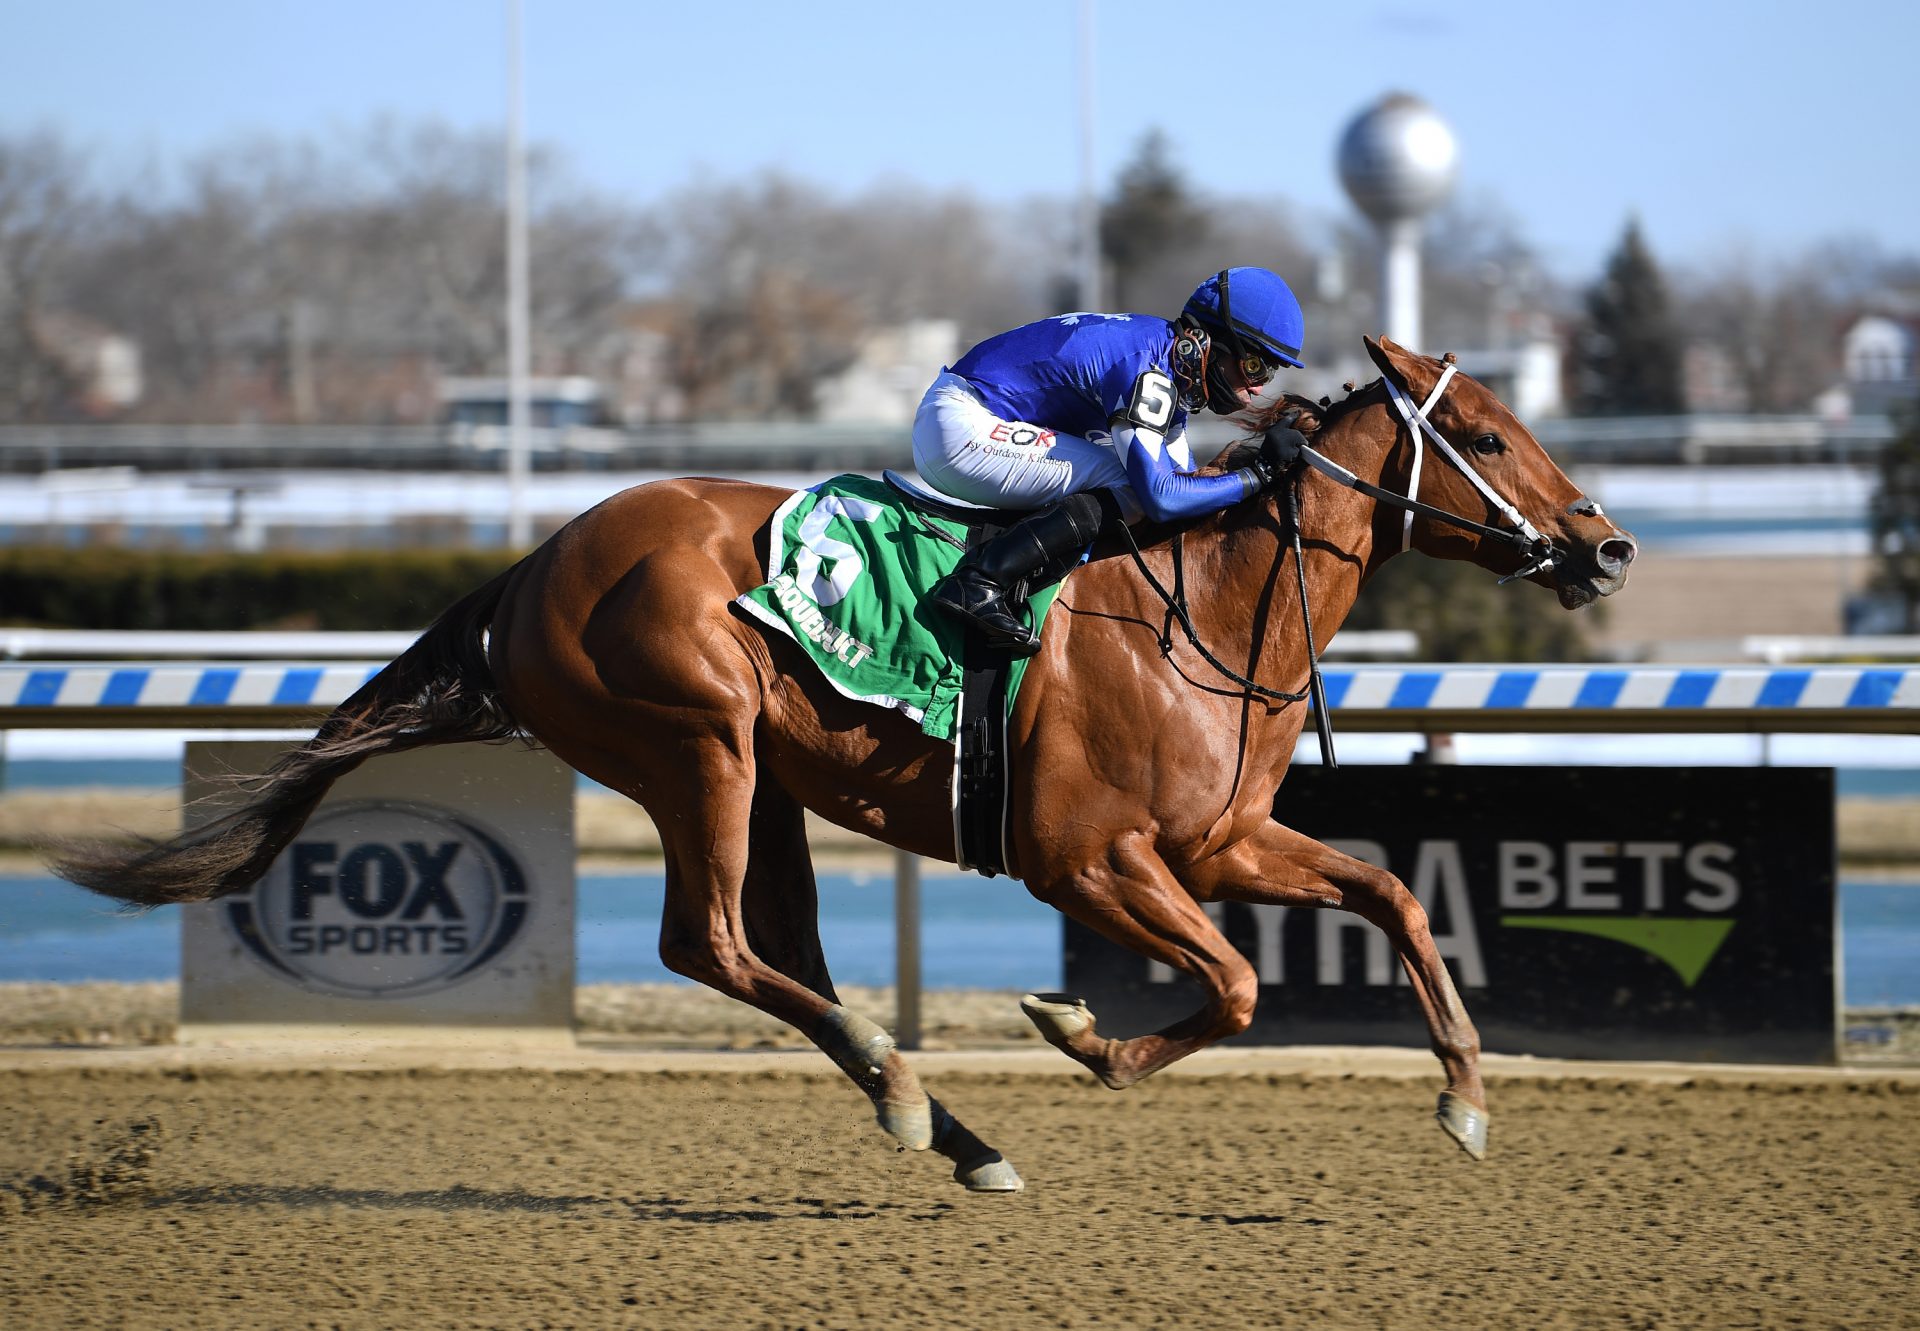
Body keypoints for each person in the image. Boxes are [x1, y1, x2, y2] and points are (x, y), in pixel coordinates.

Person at [914, 266, 1308, 657]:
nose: (1258, 388)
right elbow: (1163, 497)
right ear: (1205, 343)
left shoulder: (1165, 361)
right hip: (959, 425)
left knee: (1137, 485)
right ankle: (980, 580)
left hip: (967, 414)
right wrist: (1260, 473)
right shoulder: (1146, 370)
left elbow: (1187, 486)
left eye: (1269, 373)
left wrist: (1251, 469)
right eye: (1254, 367)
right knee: (1131, 486)